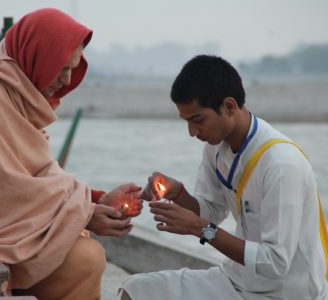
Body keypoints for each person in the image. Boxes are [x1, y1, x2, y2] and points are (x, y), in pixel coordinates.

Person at [0, 8, 142, 300]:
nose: (67, 81)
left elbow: (27, 173)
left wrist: (94, 200)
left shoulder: (10, 86)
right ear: (37, 54)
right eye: (62, 67)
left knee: (80, 250)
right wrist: (85, 214)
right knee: (86, 260)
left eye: (73, 69)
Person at [119, 55, 328, 299]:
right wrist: (178, 194)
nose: (192, 132)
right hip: (236, 279)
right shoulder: (216, 148)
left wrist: (199, 229)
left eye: (198, 120)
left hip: (288, 293)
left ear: (229, 106)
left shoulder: (281, 165)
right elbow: (211, 211)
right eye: (186, 122)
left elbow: (274, 264)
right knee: (135, 291)